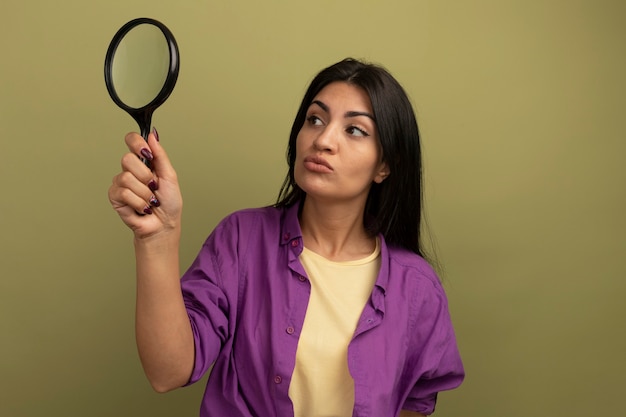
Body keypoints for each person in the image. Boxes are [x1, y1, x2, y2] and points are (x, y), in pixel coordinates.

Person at [108, 58, 464, 417]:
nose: (323, 139)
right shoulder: (240, 240)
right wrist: (158, 239)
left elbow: (417, 401)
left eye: (354, 130)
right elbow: (168, 372)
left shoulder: (418, 288)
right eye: (315, 119)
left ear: (385, 166)